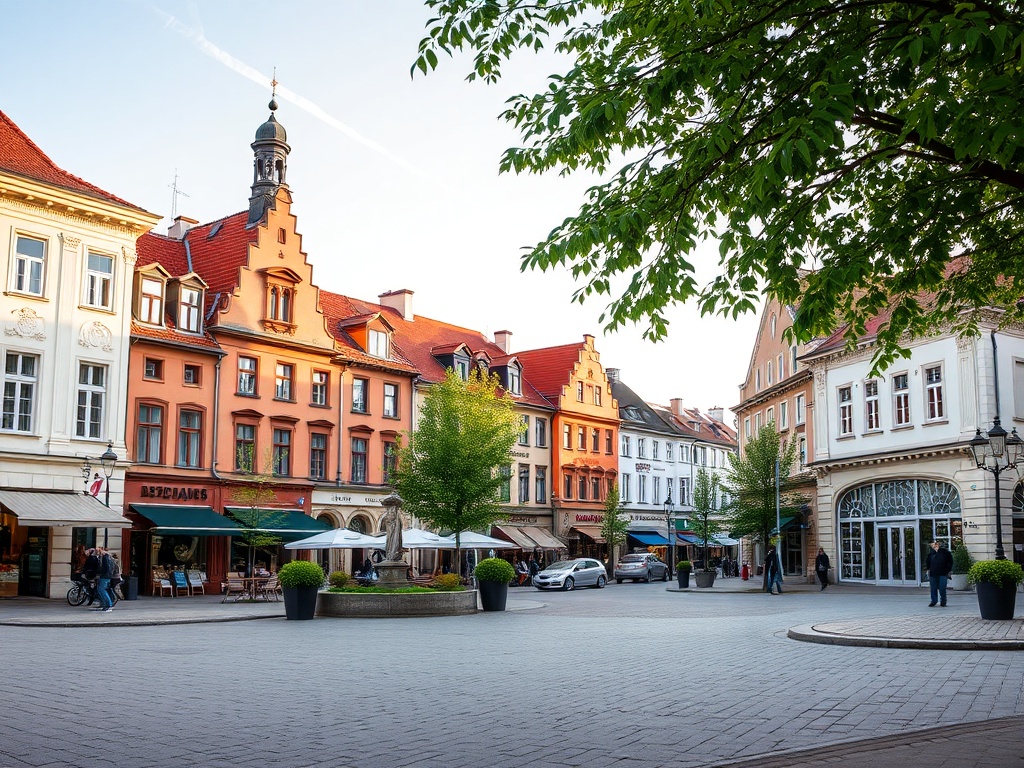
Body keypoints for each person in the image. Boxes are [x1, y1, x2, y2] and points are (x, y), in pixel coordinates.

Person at [925, 540, 953, 607]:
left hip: (943, 573)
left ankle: (943, 601)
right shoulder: (931, 554)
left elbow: (950, 562)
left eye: (936, 544)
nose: (934, 546)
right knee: (933, 588)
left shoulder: (945, 553)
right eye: (932, 545)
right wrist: (928, 570)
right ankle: (934, 601)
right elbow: (928, 563)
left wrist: (947, 570)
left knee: (942, 588)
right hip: (933, 573)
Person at [93, 547, 115, 612]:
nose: (98, 553)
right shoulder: (108, 557)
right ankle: (106, 604)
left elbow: (106, 568)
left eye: (98, 551)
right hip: (107, 576)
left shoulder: (105, 557)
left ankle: (108, 605)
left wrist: (102, 574)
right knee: (102, 589)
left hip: (105, 576)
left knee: (101, 589)